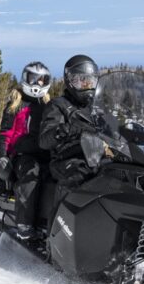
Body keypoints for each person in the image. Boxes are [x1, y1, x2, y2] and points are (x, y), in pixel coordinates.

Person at [0, 61, 51, 241]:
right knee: (31, 172)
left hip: (45, 153)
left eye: (42, 80)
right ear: (25, 79)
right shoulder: (16, 105)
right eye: (33, 79)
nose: (37, 84)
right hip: (21, 156)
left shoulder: (47, 105)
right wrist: (3, 156)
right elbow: (5, 133)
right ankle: (24, 223)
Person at [39, 54, 100, 195]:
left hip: (95, 157)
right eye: (82, 80)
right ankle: (60, 216)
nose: (87, 85)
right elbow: (44, 140)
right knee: (79, 176)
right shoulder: (58, 105)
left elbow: (112, 128)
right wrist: (67, 129)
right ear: (70, 81)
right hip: (65, 160)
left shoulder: (95, 107)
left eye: (91, 80)